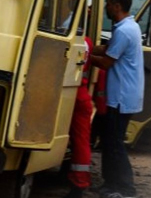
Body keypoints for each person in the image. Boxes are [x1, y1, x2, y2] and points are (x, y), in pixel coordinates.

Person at [90, 0, 144, 198]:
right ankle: (111, 184)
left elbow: (106, 62)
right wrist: (87, 46)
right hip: (124, 95)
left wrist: (83, 56)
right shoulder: (129, 26)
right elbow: (107, 49)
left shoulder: (123, 31)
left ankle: (126, 188)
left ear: (117, 5)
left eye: (109, 2)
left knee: (114, 144)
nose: (106, 6)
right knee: (109, 141)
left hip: (121, 97)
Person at [63, 34, 95, 198]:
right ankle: (78, 183)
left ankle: (79, 184)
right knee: (81, 141)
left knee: (80, 142)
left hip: (73, 92)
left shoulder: (70, 38)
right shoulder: (87, 41)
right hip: (80, 94)